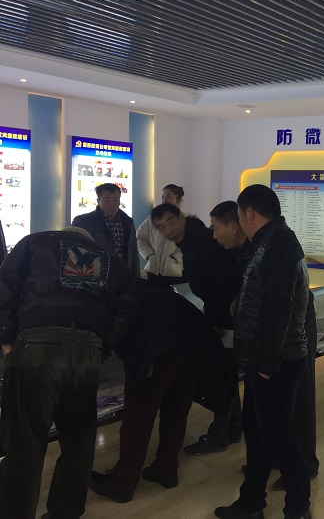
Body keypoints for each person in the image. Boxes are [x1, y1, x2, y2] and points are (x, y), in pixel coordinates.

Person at [0, 227, 136, 518]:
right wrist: (103, 345)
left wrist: (6, 335)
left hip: (37, 341)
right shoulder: (111, 259)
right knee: (78, 442)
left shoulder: (36, 241)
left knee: (24, 442)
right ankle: (65, 513)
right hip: (87, 348)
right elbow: (127, 306)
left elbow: (4, 282)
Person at [215, 184, 311, 519]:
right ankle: (251, 502)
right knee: (256, 433)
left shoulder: (278, 247)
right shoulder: (269, 242)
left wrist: (266, 365)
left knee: (278, 437)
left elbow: (276, 311)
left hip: (277, 362)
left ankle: (298, 508)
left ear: (250, 213)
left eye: (239, 215)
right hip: (266, 359)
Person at [89, 284, 223, 503]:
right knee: (176, 411)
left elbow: (113, 336)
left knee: (138, 416)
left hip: (158, 350)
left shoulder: (111, 304)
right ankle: (166, 469)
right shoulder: (141, 291)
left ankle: (122, 483)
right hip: (195, 345)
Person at [151, 203, 242, 454]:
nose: (168, 230)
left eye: (170, 221)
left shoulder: (201, 240)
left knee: (223, 373)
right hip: (224, 311)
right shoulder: (192, 239)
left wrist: (218, 320)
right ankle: (233, 427)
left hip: (226, 315)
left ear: (181, 217)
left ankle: (220, 434)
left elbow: (221, 282)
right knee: (226, 371)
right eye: (161, 227)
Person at [72, 183, 139, 275]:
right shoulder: (82, 222)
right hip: (94, 274)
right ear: (98, 201)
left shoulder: (127, 222)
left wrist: (135, 277)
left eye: (116, 200)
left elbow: (133, 252)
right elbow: (74, 251)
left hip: (122, 274)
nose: (112, 204)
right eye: (108, 200)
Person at [136, 184, 185, 286]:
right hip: (153, 271)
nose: (164, 200)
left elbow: (190, 245)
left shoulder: (184, 221)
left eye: (169, 197)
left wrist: (176, 260)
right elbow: (139, 237)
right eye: (163, 197)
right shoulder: (153, 219)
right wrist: (149, 255)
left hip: (174, 274)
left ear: (178, 200)